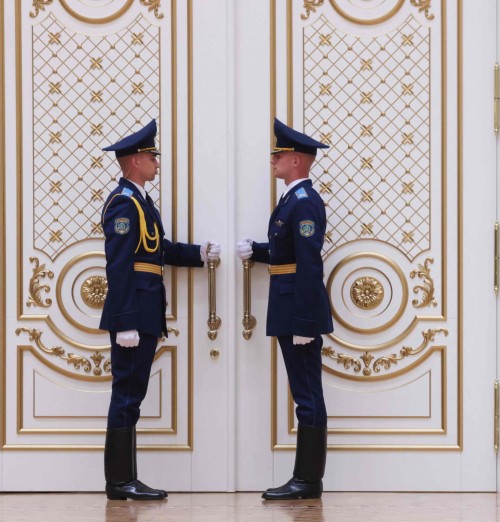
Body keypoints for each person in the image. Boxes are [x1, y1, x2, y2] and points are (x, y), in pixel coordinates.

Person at [99, 119, 220, 501]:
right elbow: (118, 267)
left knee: (132, 394)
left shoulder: (140, 202)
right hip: (134, 313)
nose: (156, 162)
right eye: (151, 156)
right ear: (135, 161)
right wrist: (124, 322)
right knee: (127, 394)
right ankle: (120, 482)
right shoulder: (123, 203)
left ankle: (125, 479)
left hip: (145, 310)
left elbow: (159, 249)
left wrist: (197, 254)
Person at [236, 119, 333, 501]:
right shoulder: (293, 199)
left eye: (278, 155)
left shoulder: (305, 202)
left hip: (298, 313)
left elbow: (309, 265)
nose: (273, 160)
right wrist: (258, 252)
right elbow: (287, 253)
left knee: (307, 394)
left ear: (295, 160)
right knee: (303, 392)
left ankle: (308, 480)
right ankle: (306, 479)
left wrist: (306, 321)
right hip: (291, 308)